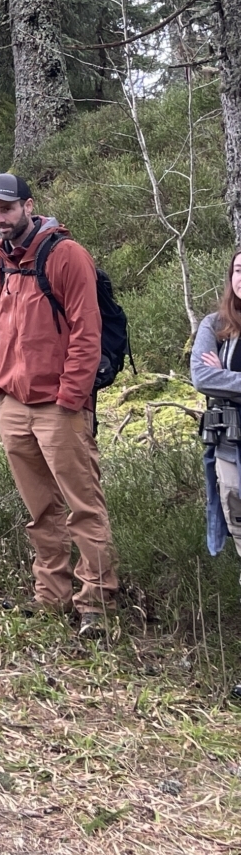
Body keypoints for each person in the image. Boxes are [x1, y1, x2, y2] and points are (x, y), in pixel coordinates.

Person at [0, 172, 119, 635]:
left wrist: (70, 397)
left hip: (60, 406)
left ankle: (96, 601)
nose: (0, 217)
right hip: (14, 403)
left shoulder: (66, 254)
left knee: (84, 506)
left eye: (7, 208)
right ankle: (52, 596)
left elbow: (87, 331)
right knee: (40, 509)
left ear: (28, 206)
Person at [194, 248, 241, 597]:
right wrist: (218, 376)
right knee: (235, 509)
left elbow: (217, 379)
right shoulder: (215, 325)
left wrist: (226, 376)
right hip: (229, 440)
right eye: (238, 270)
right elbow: (202, 377)